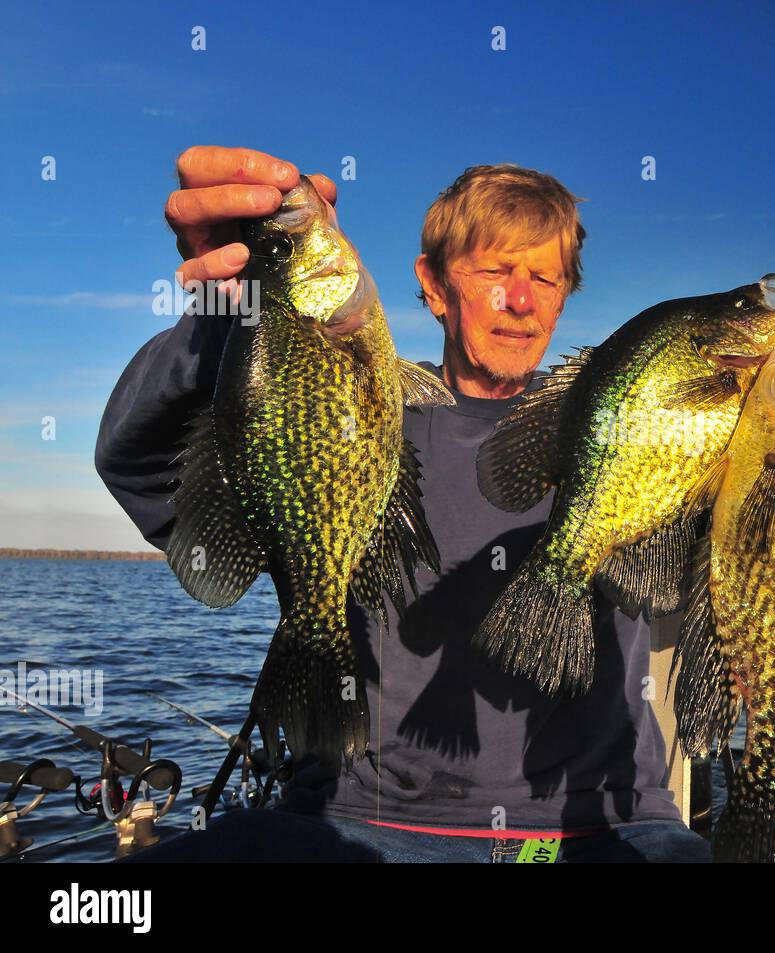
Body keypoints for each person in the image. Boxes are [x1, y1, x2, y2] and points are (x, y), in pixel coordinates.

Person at [95, 146, 710, 863]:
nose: (521, 299)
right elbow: (134, 462)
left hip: (598, 827)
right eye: (494, 272)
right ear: (435, 285)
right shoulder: (365, 411)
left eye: (545, 276)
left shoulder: (637, 430)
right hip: (354, 819)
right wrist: (231, 314)